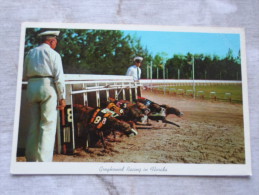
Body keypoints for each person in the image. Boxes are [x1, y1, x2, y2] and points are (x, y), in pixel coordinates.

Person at [23, 30, 66, 162]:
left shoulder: (30, 53)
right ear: (51, 41)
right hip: (48, 86)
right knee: (47, 125)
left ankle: (31, 158)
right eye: (55, 42)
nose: (56, 44)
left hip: (32, 86)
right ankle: (44, 161)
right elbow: (59, 77)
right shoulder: (53, 54)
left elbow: (24, 73)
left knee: (34, 124)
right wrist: (62, 97)